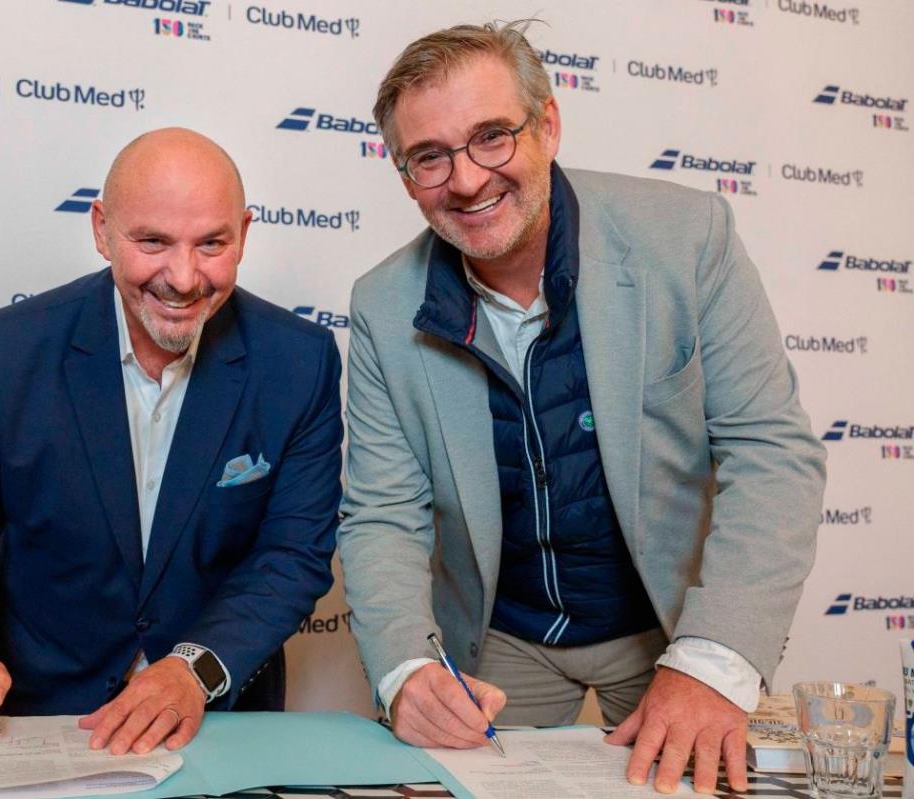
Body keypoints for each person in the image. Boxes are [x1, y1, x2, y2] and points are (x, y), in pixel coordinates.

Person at [337, 22, 825, 795]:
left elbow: (773, 454)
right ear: (404, 176)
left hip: (669, 624)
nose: (466, 179)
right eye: (429, 156)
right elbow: (381, 513)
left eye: (492, 136)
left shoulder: (687, 237)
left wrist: (714, 660)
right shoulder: (381, 304)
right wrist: (405, 667)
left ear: (548, 125)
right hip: (501, 639)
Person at [0, 128, 343, 756]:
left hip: (220, 721)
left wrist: (193, 670)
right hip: (39, 720)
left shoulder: (300, 361)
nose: (183, 278)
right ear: (102, 230)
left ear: (243, 234)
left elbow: (292, 556)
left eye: (212, 243)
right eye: (153, 242)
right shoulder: (8, 351)